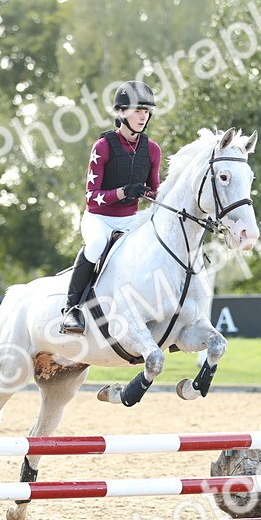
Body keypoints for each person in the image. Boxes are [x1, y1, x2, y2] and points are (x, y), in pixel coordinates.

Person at [60, 80, 162, 334]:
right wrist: (123, 192)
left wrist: (147, 193)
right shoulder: (103, 147)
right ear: (120, 113)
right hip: (99, 219)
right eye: (137, 110)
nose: (143, 116)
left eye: (146, 111)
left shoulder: (152, 150)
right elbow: (92, 197)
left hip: (131, 220)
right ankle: (71, 308)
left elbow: (155, 192)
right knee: (95, 246)